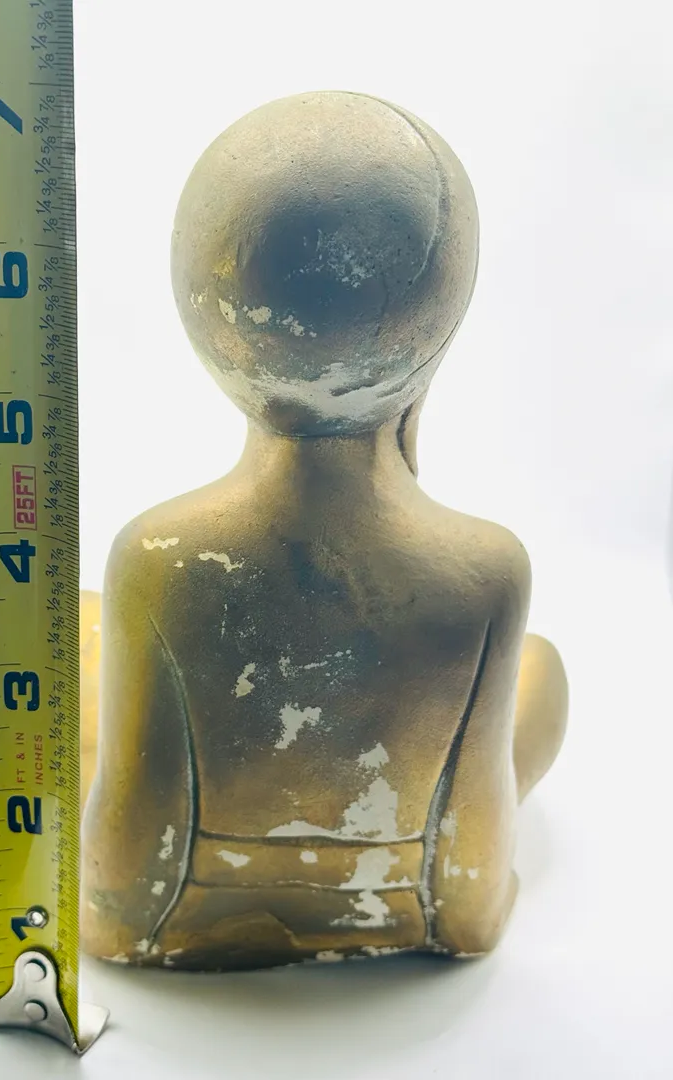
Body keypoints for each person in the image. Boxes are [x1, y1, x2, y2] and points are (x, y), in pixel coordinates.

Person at [80, 91, 568, 970]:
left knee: (78, 639)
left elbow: (121, 899)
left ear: (203, 323)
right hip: (403, 900)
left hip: (191, 913)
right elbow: (469, 902)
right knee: (544, 674)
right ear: (440, 328)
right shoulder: (486, 575)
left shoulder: (159, 559)